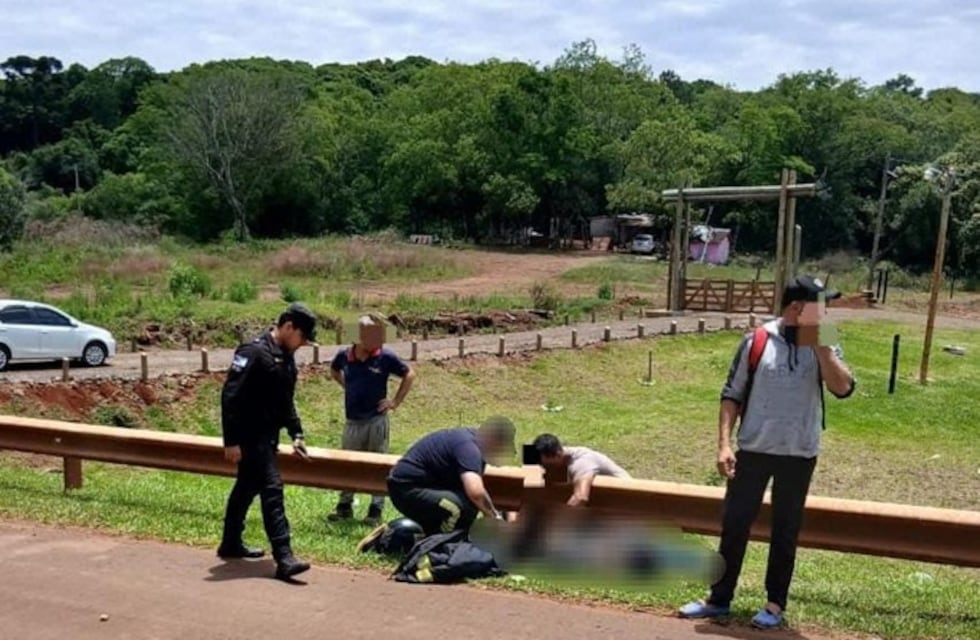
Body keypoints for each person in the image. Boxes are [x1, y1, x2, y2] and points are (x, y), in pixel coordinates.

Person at [678, 274, 856, 629]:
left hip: (799, 452)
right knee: (734, 525)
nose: (827, 310)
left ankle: (775, 605)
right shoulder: (757, 339)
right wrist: (724, 444)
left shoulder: (826, 337)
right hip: (755, 449)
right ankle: (719, 599)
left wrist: (820, 344)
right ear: (796, 307)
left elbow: (843, 388)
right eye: (820, 304)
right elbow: (732, 395)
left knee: (785, 530)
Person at [217, 302, 318, 582]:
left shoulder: (284, 357)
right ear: (288, 327)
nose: (303, 343)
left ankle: (230, 543)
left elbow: (285, 401)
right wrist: (231, 441)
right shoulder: (253, 352)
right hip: (250, 437)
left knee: (246, 488)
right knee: (273, 489)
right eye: (302, 337)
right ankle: (284, 557)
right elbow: (230, 397)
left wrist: (296, 433)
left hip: (268, 436)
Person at [327, 313, 416, 526]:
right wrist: (347, 385)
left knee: (378, 465)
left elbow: (409, 374)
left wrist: (394, 402)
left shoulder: (385, 356)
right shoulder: (344, 355)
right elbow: (334, 370)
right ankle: (344, 506)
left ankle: (375, 510)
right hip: (352, 422)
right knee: (348, 465)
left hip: (376, 421)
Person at [385, 416, 518, 537]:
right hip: (407, 488)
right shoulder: (470, 449)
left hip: (421, 486)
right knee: (460, 507)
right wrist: (494, 517)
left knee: (468, 506)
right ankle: (442, 546)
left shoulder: (472, 442)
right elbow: (476, 492)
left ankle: (430, 537)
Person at [531, 433, 631, 506]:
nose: (543, 467)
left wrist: (561, 519)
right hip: (597, 500)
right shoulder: (549, 455)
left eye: (547, 464)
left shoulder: (581, 463)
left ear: (558, 455)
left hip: (624, 499)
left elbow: (581, 497)